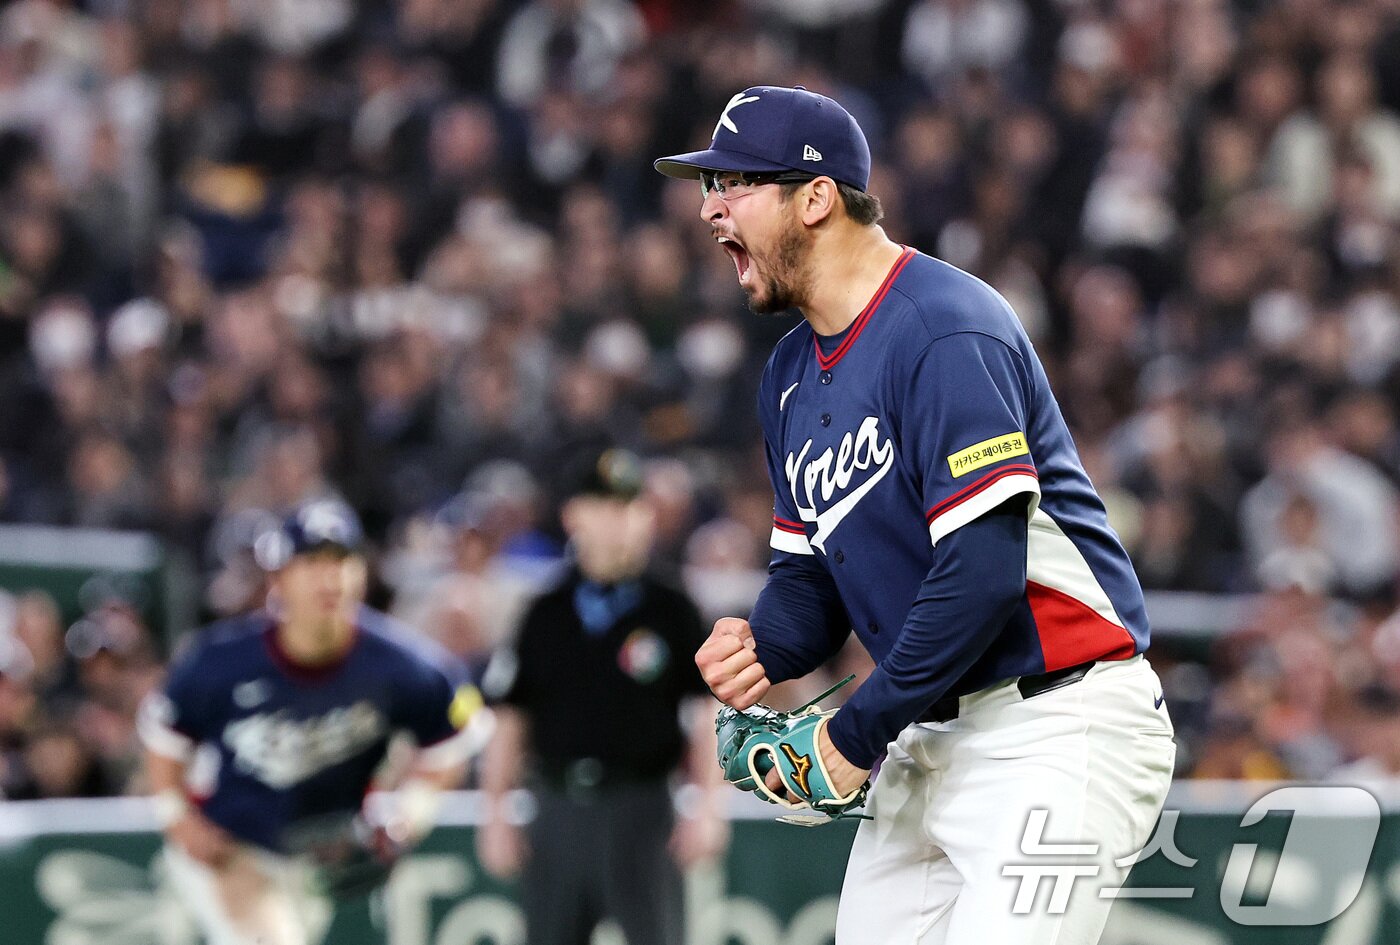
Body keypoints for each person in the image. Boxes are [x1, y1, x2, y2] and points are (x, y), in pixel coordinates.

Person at [656, 86, 1176, 944]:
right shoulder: (790, 371)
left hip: (1056, 722)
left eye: (736, 181)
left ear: (816, 198)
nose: (709, 206)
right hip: (925, 726)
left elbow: (980, 577)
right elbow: (808, 572)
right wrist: (763, 646)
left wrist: (851, 735)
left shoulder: (944, 329)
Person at [137, 499, 490, 945]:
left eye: (343, 563)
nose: (331, 579)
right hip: (237, 846)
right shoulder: (221, 661)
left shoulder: (396, 665)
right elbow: (162, 737)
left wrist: (406, 816)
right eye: (312, 564)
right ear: (277, 580)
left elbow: (453, 737)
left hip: (324, 855)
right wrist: (177, 818)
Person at [477, 445, 728, 945]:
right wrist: (495, 813)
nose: (621, 520)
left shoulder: (672, 607)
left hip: (644, 808)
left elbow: (707, 713)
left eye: (631, 506)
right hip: (556, 805)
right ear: (574, 515)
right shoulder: (544, 612)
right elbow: (510, 718)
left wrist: (710, 808)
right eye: (606, 506)